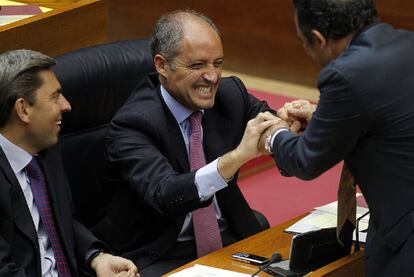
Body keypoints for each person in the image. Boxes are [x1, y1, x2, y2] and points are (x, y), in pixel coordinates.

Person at [92, 9, 277, 276]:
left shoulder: (230, 95)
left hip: (230, 237)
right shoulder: (133, 124)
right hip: (160, 253)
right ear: (162, 65)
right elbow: (166, 194)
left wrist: (286, 124)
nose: (212, 77)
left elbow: (270, 123)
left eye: (218, 63)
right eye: (197, 65)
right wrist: (237, 157)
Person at [259, 0, 414, 275]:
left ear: (318, 39)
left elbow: (306, 161)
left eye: (302, 41)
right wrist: (323, 115)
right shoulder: (406, 42)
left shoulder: (345, 74)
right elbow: (389, 113)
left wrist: (274, 135)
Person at [0, 49, 139, 277]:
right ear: (23, 109)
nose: (67, 106)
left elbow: (62, 223)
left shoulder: (46, 148)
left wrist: (97, 257)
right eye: (55, 96)